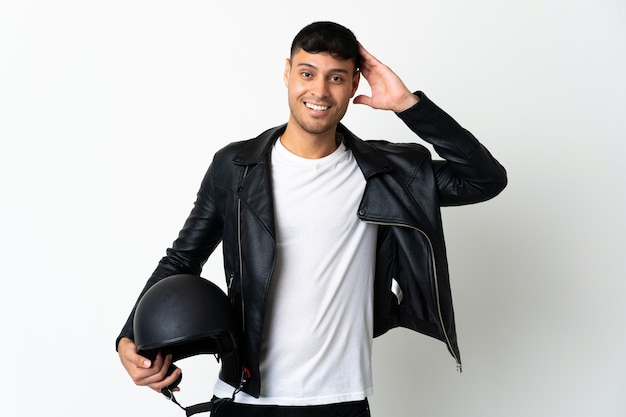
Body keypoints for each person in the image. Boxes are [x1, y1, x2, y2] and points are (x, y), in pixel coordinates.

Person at [117, 21, 507, 417]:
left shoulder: (385, 174)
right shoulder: (234, 168)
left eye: (336, 78)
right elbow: (183, 259)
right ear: (287, 72)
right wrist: (130, 335)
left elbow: (485, 179)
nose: (320, 91)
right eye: (307, 73)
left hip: (339, 402)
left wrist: (409, 105)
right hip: (244, 400)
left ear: (355, 83)